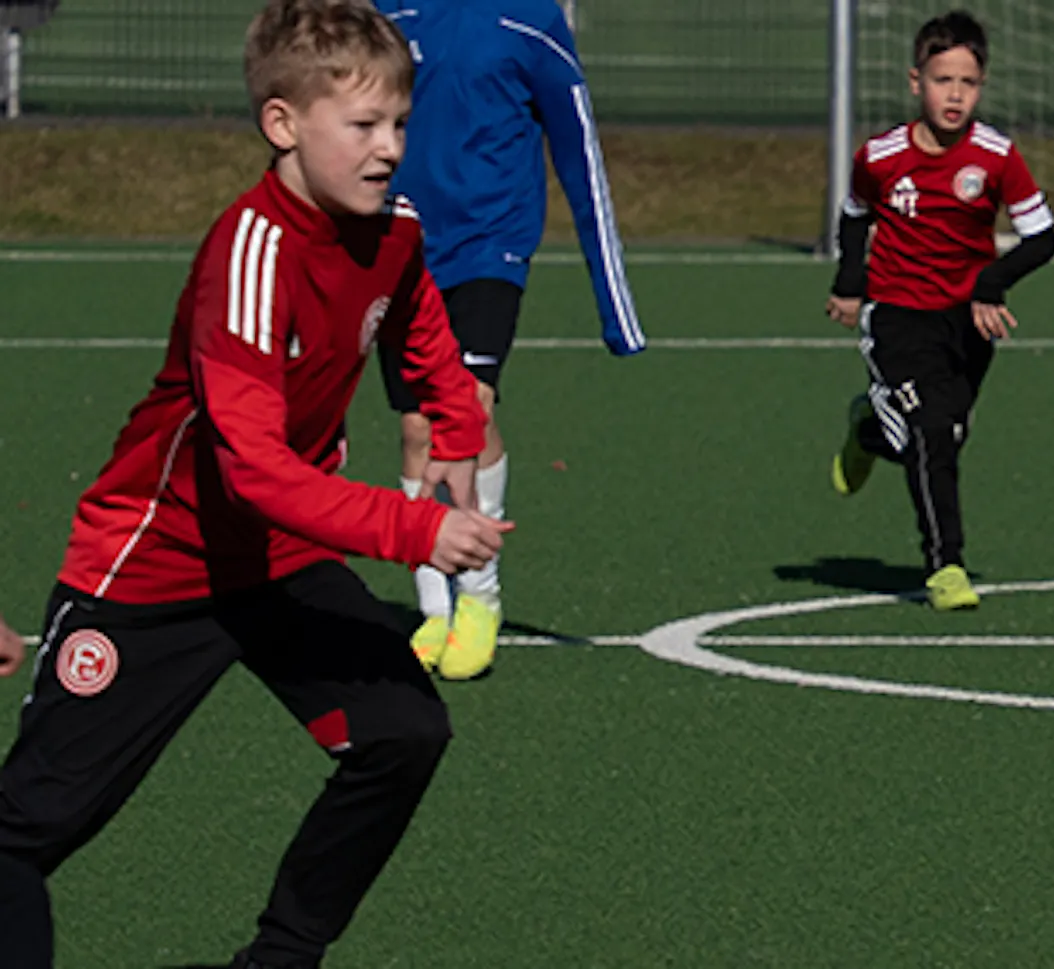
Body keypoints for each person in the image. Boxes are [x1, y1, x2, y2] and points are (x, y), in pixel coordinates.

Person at [0, 2, 508, 965]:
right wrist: (412, 530)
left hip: (282, 561)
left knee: (403, 732)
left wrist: (457, 423)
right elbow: (256, 470)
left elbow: (424, 334)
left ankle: (281, 957)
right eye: (362, 126)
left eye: (400, 123)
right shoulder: (249, 252)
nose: (391, 148)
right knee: (25, 831)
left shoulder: (392, 230)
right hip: (158, 564)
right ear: (282, 124)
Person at [374, 0, 646, 680]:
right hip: (401, 248)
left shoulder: (532, 20)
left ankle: (480, 599)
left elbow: (579, 149)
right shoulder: (387, 13)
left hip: (489, 252)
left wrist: (616, 307)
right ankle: (434, 608)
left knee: (466, 407)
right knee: (415, 428)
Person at [826, 10, 1054, 612]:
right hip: (898, 313)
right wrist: (850, 285)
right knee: (931, 429)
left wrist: (991, 283)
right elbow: (854, 218)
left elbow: (1042, 237)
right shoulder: (879, 157)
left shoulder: (997, 156)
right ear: (915, 81)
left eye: (968, 83)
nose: (954, 95)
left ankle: (868, 432)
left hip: (967, 320)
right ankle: (946, 566)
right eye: (942, 80)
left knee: (943, 437)